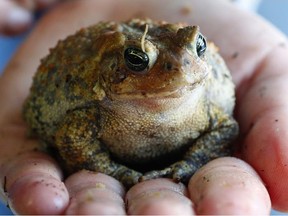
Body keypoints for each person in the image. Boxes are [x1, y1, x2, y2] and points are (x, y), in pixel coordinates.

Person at [0, 0, 287, 214]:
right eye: (139, 61)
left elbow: (226, 128)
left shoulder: (205, 97)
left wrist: (189, 165)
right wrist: (119, 173)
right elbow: (70, 137)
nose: (180, 69)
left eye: (197, 47)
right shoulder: (93, 107)